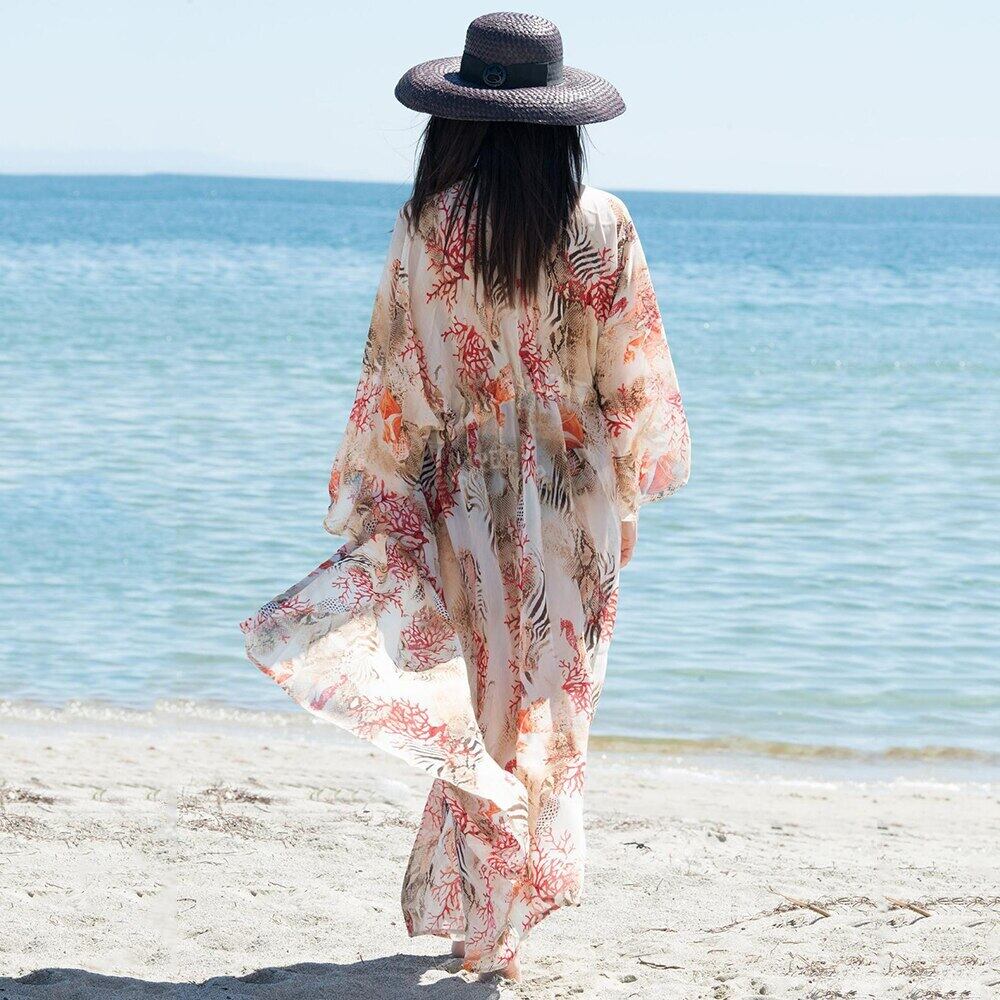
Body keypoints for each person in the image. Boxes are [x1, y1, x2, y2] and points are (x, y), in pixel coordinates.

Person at [242, 11, 690, 982]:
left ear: (456, 119)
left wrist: (384, 504)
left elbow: (392, 377)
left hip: (460, 499)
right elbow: (633, 383)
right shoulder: (602, 222)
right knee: (552, 705)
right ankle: (501, 923)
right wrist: (625, 504)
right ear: (560, 125)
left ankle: (487, 915)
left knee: (476, 700)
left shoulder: (427, 224)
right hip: (574, 503)